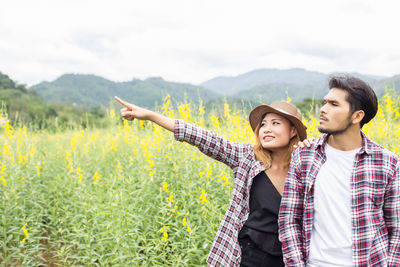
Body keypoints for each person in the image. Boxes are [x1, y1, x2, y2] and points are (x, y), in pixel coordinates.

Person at [115, 96, 308, 266]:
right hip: (246, 256)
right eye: (263, 124)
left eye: (275, 123)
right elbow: (205, 138)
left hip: (286, 258)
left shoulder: (304, 168)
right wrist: (151, 116)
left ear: (292, 131)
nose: (266, 129)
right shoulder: (248, 158)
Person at [278, 75, 400, 266]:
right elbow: (289, 220)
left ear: (357, 116)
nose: (323, 109)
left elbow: (397, 227)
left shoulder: (386, 162)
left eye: (334, 104)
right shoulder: (304, 157)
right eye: (325, 102)